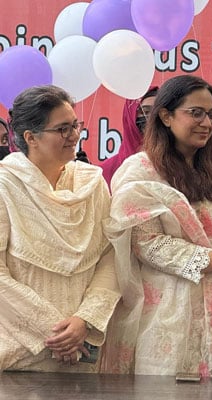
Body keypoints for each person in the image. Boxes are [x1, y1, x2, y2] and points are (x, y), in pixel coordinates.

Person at [99, 75, 212, 378]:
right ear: (166, 116)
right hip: (160, 319)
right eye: (195, 113)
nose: (206, 122)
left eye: (211, 114)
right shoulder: (140, 172)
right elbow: (146, 243)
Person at [0, 85, 120, 371]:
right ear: (31, 138)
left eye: (75, 126)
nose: (75, 136)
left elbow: (111, 256)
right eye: (63, 129)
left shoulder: (92, 183)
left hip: (84, 347)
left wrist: (83, 322)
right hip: (19, 351)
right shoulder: (5, 186)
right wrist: (56, 332)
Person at [101, 86, 158, 186]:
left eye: (157, 112)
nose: (151, 119)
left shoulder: (177, 166)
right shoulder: (105, 171)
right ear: (130, 116)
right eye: (145, 112)